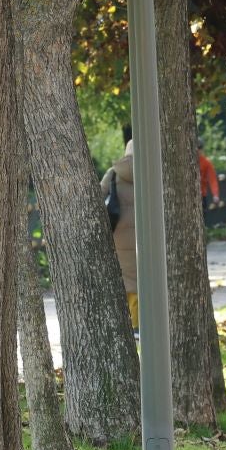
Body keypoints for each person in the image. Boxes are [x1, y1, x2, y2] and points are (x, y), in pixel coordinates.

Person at [101, 140, 138, 328]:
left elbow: (99, 193)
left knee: (125, 273)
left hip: (120, 229)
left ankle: (126, 321)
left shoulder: (115, 172)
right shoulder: (151, 167)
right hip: (144, 228)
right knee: (142, 273)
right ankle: (139, 320)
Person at [197, 142, 219, 214]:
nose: (198, 150)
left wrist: (215, 194)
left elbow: (212, 179)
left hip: (201, 195)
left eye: (200, 148)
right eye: (197, 148)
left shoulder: (206, 163)